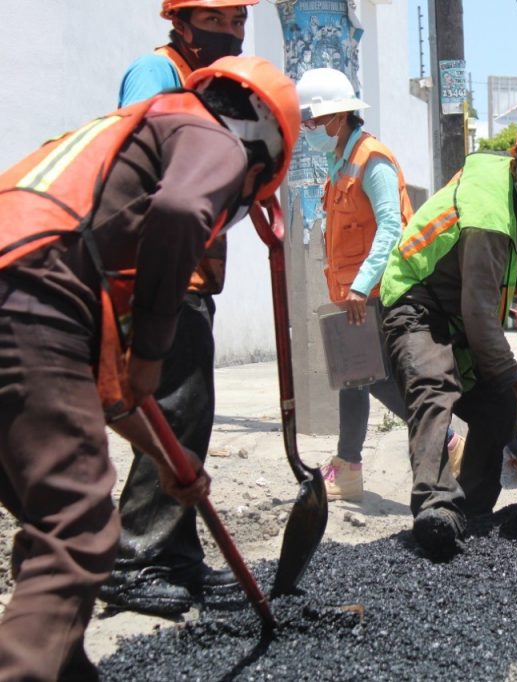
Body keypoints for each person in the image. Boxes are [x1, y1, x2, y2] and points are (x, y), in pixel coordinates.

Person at [0, 55, 299, 680]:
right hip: (28, 295)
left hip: (24, 295)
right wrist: (154, 350)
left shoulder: (108, 169)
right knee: (78, 525)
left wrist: (171, 466)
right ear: (262, 154)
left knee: (47, 518)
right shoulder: (208, 133)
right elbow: (182, 212)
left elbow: (109, 397)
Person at [100, 0, 259, 618]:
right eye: (214, 21)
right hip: (159, 276)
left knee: (188, 419)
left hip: (189, 275)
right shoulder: (157, 72)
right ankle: (136, 560)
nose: (228, 32)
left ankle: (177, 557)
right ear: (180, 22)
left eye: (236, 21)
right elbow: (147, 175)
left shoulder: (213, 87)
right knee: (169, 415)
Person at [378, 105, 517, 560]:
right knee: (435, 390)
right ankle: (435, 507)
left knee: (495, 412)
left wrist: (511, 276)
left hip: (455, 310)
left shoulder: (511, 198)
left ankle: (470, 516)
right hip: (417, 303)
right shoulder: (489, 212)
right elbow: (478, 312)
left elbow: (484, 269)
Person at [296, 67, 464, 502]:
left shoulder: (373, 160)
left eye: (312, 122)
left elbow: (392, 228)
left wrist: (361, 284)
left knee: (370, 378)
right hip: (352, 296)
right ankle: (348, 468)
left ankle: (444, 441)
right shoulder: (339, 161)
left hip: (378, 292)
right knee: (352, 378)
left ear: (337, 117)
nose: (307, 131)